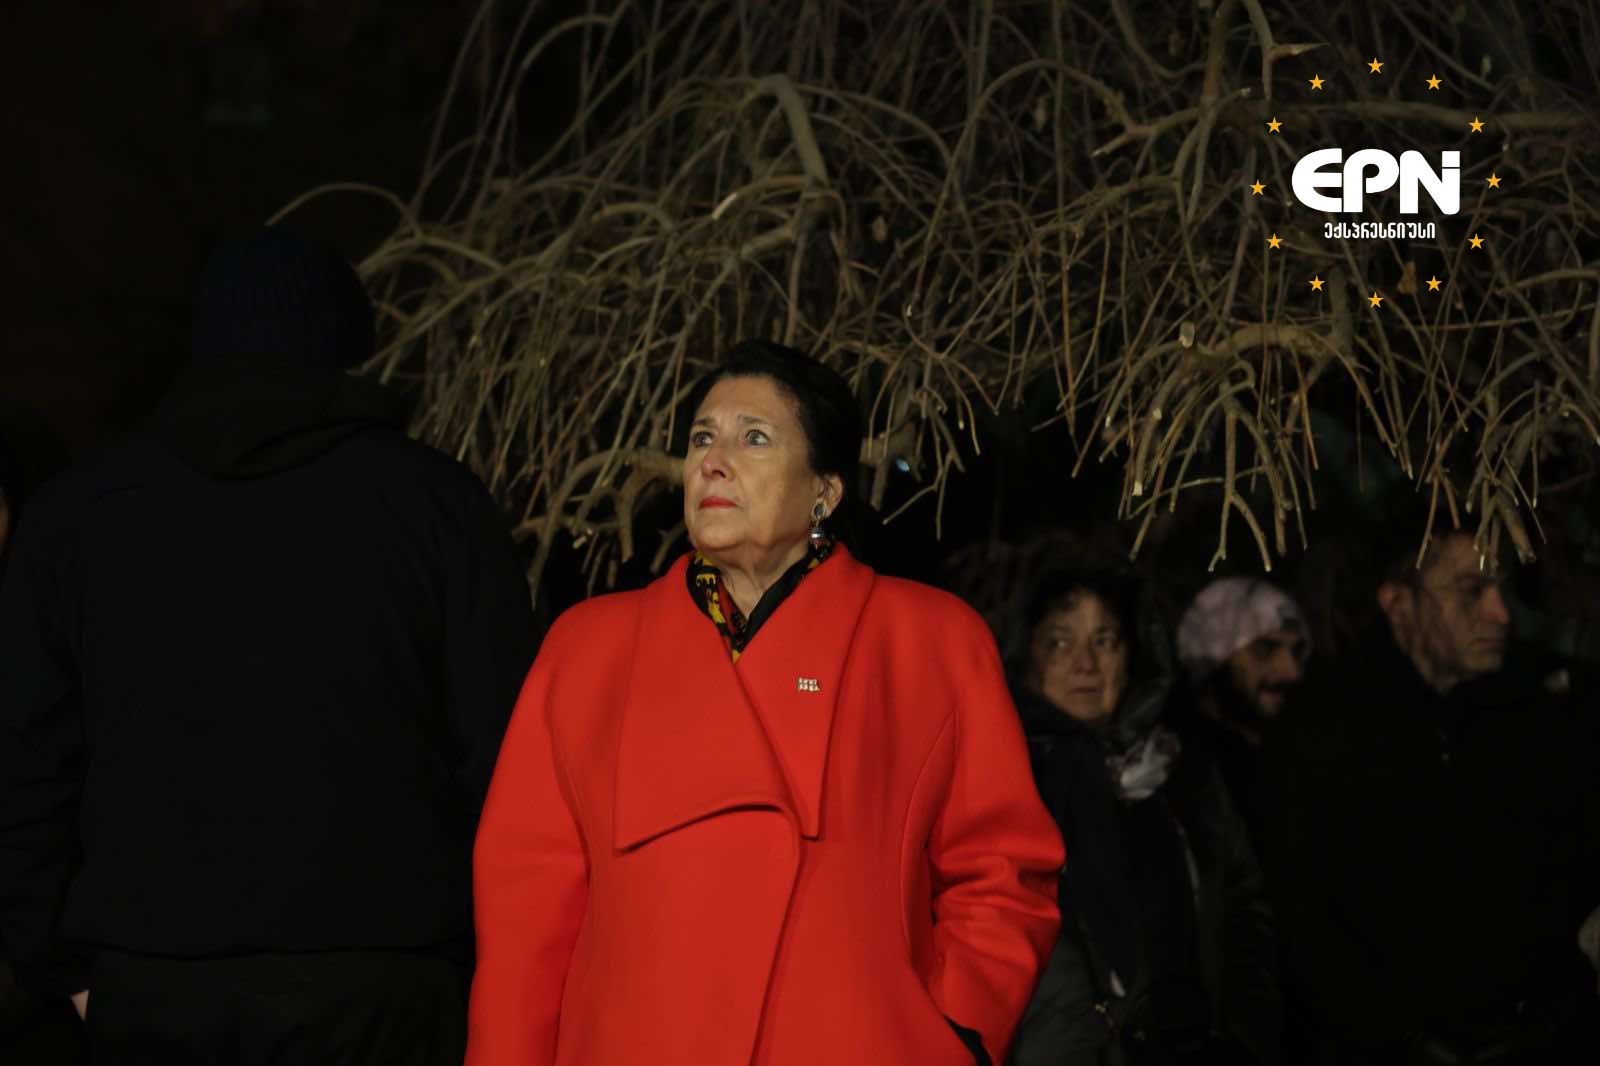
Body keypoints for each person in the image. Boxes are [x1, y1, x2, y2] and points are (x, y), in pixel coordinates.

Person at [0, 227, 539, 1065]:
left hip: (154, 982)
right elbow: (505, 756)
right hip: (381, 982)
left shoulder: (79, 515)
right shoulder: (435, 506)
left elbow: (27, 759)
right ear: (347, 343)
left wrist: (60, 967)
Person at [467, 339, 1064, 1066]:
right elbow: (525, 911)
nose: (713, 462)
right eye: (701, 438)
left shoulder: (926, 641)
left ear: (824, 492)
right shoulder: (588, 649)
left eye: (753, 438)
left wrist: (955, 1031)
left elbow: (1004, 869)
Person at [1261, 505, 1600, 1063]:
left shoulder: (1534, 709)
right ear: (1398, 603)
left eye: (1499, 589)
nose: (1498, 613)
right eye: (1470, 592)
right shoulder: (1325, 732)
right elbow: (1302, 916)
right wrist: (1401, 1038)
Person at [1005, 567, 1281, 1066]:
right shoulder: (1005, 784)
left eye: (1104, 640)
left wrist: (1247, 1036)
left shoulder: (1183, 771)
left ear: (1132, 654)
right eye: (1060, 643)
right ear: (1027, 658)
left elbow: (1244, 908)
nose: (1086, 664)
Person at [1174, 577, 1311, 844]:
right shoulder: (1188, 773)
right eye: (1265, 649)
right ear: (1213, 659)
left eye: (1297, 651)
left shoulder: (1296, 749)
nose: (1292, 671)